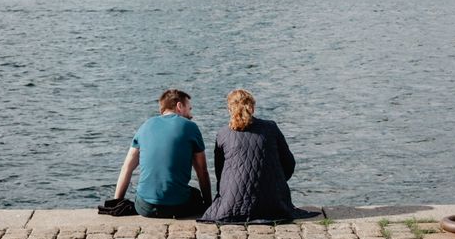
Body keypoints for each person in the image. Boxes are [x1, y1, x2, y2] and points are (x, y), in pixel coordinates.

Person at [200, 89, 312, 224]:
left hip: (232, 204)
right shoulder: (270, 127)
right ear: (252, 107)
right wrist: (275, 181)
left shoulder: (223, 134)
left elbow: (220, 172)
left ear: (229, 109)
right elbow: (289, 163)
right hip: (273, 202)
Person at [114, 89, 212, 218]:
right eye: (189, 108)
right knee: (195, 195)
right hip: (178, 207)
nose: (190, 114)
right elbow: (202, 171)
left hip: (145, 207)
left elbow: (126, 168)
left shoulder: (145, 126)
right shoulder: (190, 127)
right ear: (179, 106)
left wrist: (116, 203)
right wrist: (210, 205)